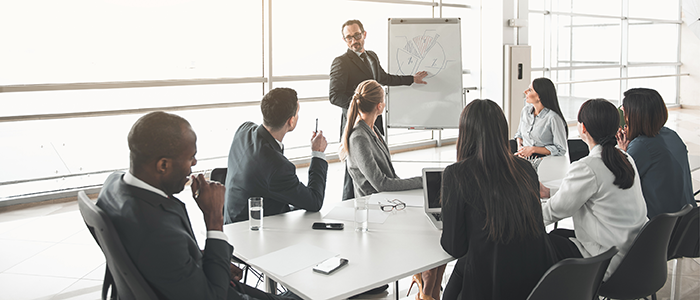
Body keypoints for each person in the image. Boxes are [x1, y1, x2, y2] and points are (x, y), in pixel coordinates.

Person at [96, 111, 301, 300]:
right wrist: (214, 218)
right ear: (163, 165)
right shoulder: (159, 233)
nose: (194, 163)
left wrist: (211, 259)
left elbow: (167, 261)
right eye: (190, 157)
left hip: (201, 282)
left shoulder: (113, 186)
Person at [440, 99, 557, 300]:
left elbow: (455, 247)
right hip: (536, 285)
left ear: (465, 133)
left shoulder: (456, 174)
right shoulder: (525, 168)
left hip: (491, 287)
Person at [540, 98, 648, 280]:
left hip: (608, 262)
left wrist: (519, 220)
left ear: (582, 129)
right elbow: (594, 190)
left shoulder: (588, 166)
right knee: (558, 235)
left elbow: (553, 212)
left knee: (544, 242)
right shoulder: (625, 158)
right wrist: (549, 192)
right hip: (638, 256)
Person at [330, 19, 428, 200]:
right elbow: (334, 96)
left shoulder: (372, 56)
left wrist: (411, 79)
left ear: (364, 34)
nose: (354, 41)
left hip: (373, 120)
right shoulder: (341, 62)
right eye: (349, 37)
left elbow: (383, 78)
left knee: (378, 165)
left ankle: (385, 197)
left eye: (357, 35)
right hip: (355, 121)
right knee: (355, 172)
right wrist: (360, 107)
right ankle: (349, 205)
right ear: (344, 40)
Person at [224, 88, 328, 224]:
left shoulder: (244, 129)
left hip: (232, 221)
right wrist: (317, 153)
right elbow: (314, 201)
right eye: (297, 113)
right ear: (291, 121)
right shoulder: (277, 166)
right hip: (253, 230)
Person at [616, 88, 695, 218]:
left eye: (624, 111)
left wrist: (622, 153)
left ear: (636, 116)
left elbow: (619, 184)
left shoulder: (641, 146)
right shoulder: (671, 135)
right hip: (687, 221)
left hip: (661, 227)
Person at [340, 79, 422, 197]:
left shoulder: (373, 130)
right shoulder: (359, 138)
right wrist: (421, 181)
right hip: (375, 206)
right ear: (379, 106)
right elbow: (381, 184)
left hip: (388, 200)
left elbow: (391, 177)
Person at [514, 77, 568, 158]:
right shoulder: (525, 111)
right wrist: (520, 148)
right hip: (524, 157)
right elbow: (519, 134)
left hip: (543, 159)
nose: (525, 92)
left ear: (539, 96)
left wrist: (532, 149)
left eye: (530, 90)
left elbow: (561, 149)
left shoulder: (553, 118)